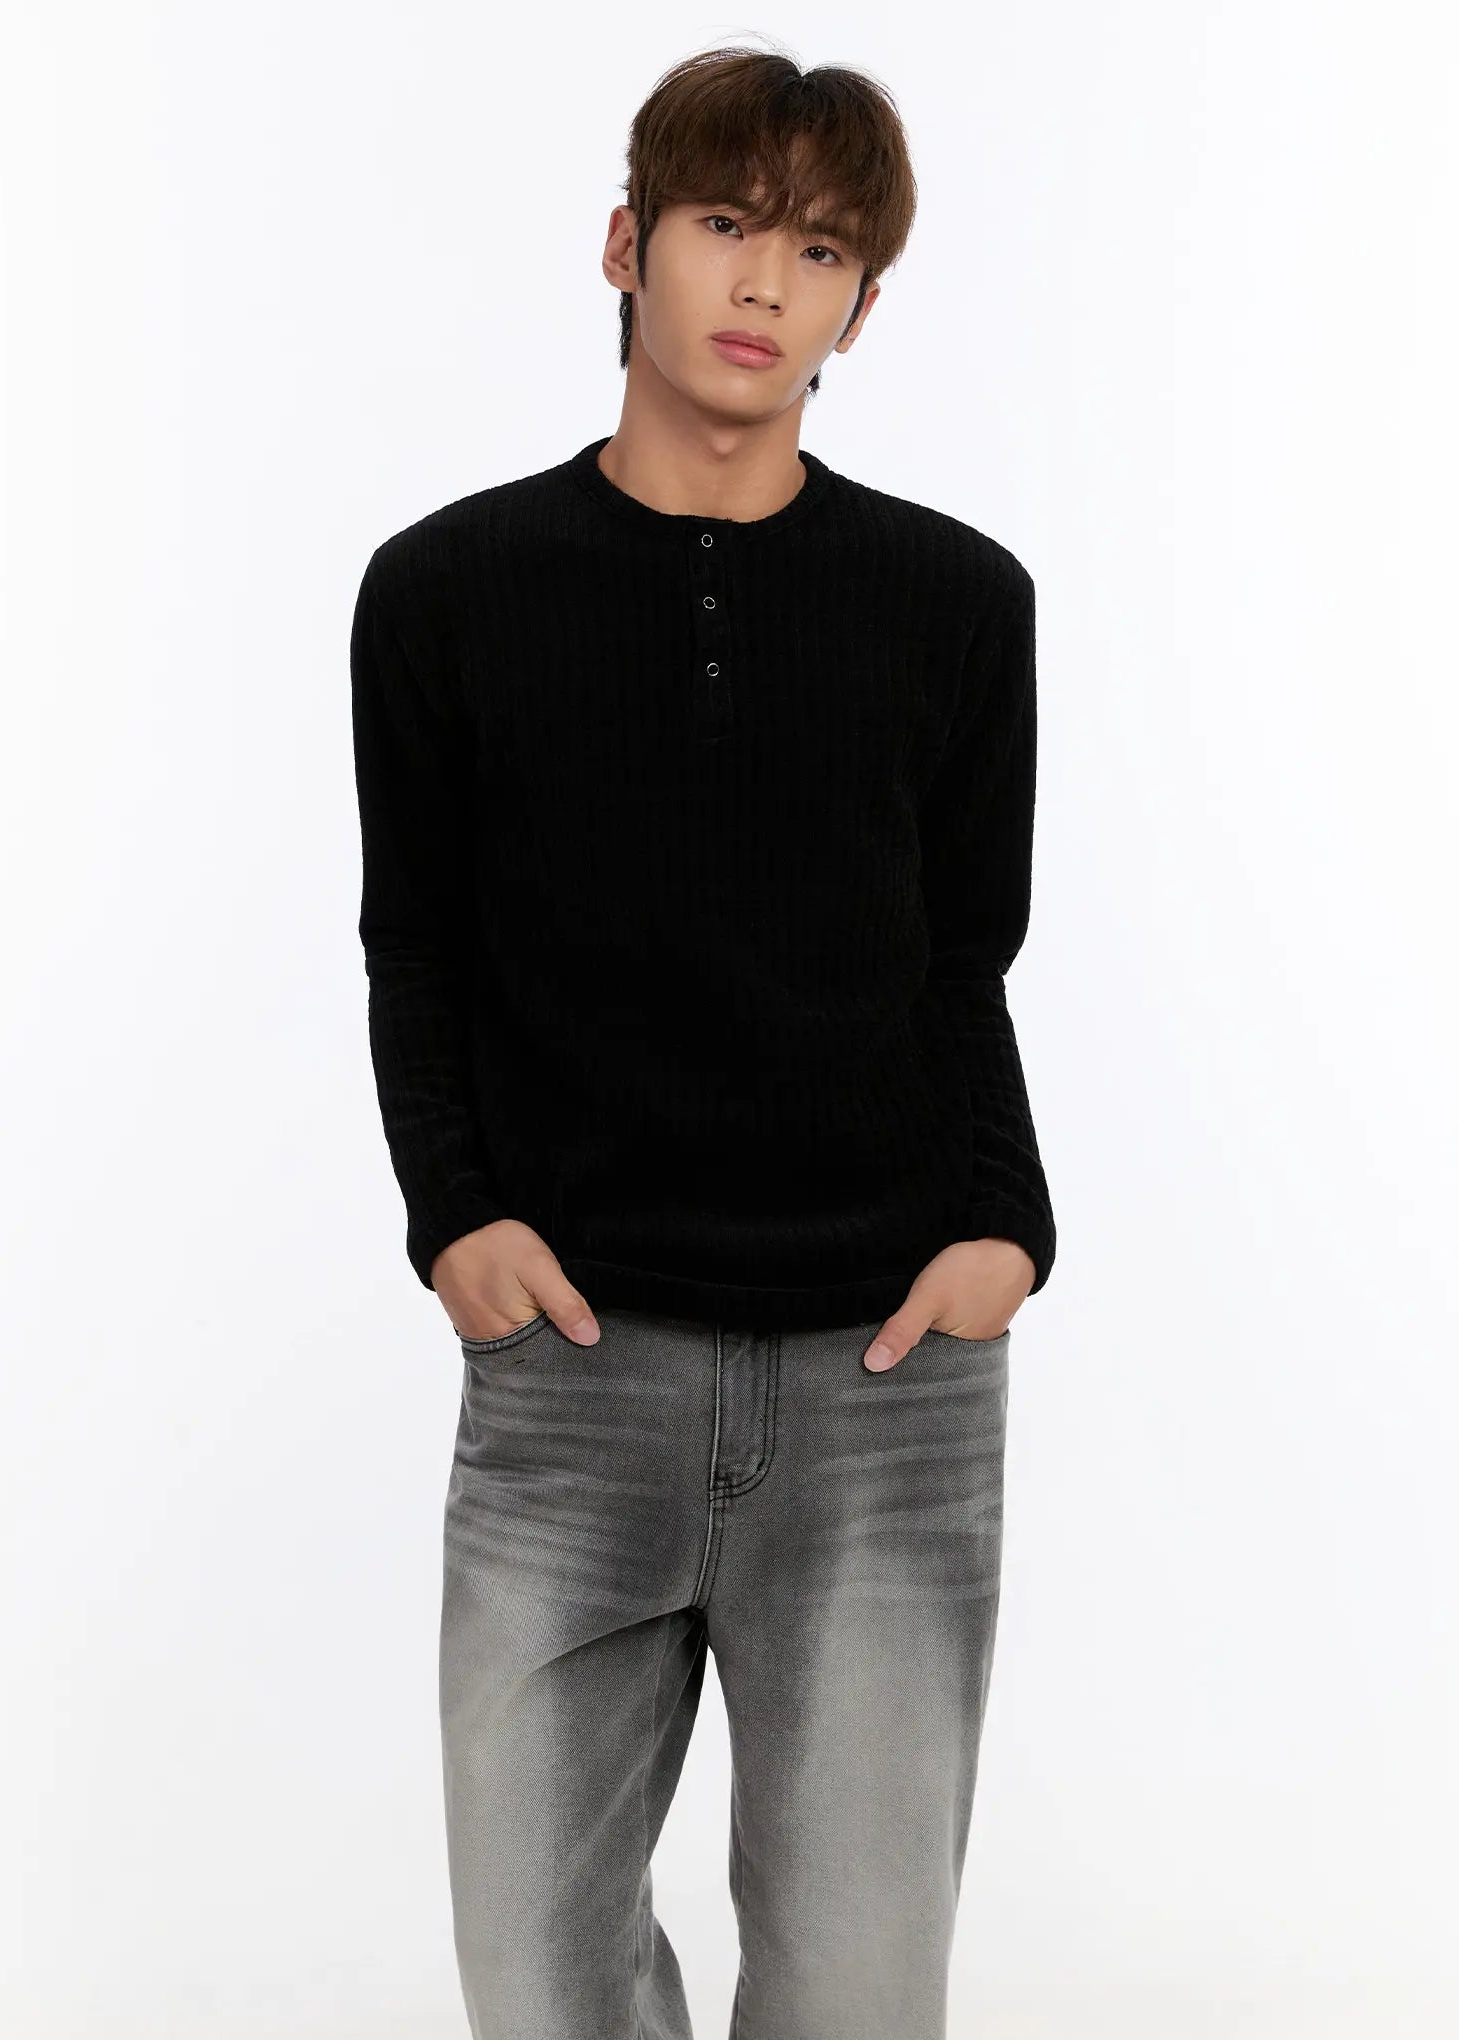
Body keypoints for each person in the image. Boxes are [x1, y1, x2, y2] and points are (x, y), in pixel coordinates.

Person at [350, 42, 1056, 2040]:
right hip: (573, 1376)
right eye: (726, 222)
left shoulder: (958, 602)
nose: (763, 282)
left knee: (858, 1993)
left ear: (861, 308)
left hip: (886, 1380)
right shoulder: (444, 592)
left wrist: (1004, 1232)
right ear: (625, 245)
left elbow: (966, 963)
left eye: (820, 250)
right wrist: (455, 1216)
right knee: (539, 1981)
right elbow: (417, 947)